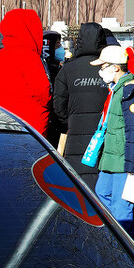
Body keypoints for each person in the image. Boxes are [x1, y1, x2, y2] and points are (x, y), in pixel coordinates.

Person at [91, 44, 134, 235]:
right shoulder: (117, 89)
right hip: (112, 157)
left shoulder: (130, 91)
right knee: (102, 195)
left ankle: (125, 247)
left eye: (103, 66)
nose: (101, 71)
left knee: (121, 208)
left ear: (115, 67)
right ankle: (115, 238)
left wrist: (132, 164)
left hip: (123, 160)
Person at [52, 23, 112, 187]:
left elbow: (58, 103)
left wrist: (68, 123)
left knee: (79, 182)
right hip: (104, 135)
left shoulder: (68, 69)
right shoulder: (110, 67)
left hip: (75, 135)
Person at [0, 9, 52, 137]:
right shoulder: (30, 57)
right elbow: (42, 92)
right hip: (31, 121)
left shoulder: (0, 56)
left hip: (5, 116)